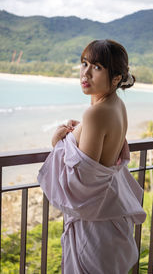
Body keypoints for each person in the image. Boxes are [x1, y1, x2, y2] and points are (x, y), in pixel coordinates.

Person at [38, 39, 146, 274]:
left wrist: (59, 143)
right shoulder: (117, 106)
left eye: (97, 67)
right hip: (109, 218)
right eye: (84, 63)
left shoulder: (95, 113)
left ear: (116, 78)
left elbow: (82, 183)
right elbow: (102, 149)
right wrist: (79, 132)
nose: (85, 73)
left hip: (94, 228)